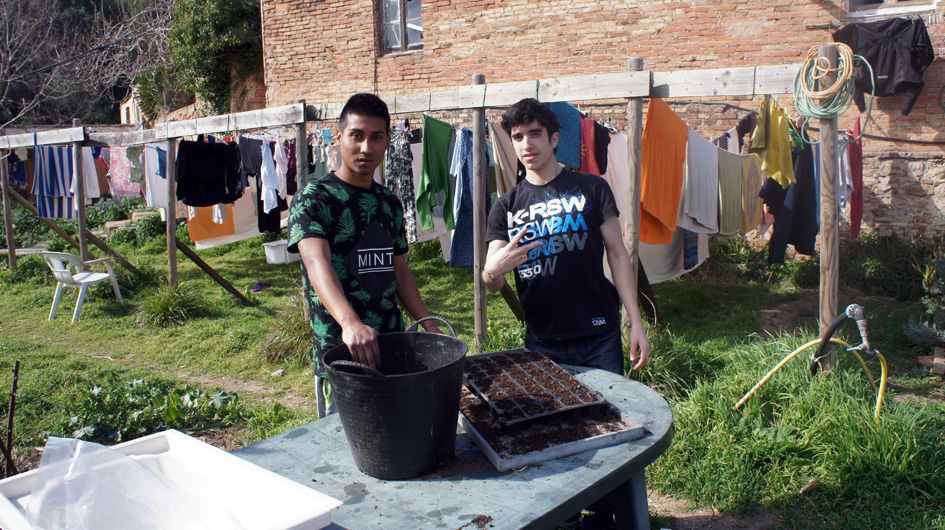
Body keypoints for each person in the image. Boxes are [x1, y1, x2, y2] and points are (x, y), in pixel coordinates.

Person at [482, 98, 651, 529]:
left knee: (614, 428)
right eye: (516, 137)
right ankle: (568, 516)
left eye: (534, 134)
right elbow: (492, 276)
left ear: (555, 138)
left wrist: (634, 317)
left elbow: (618, 252)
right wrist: (493, 272)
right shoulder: (505, 207)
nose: (525, 144)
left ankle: (619, 516)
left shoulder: (592, 189)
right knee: (556, 435)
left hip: (600, 334)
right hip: (543, 342)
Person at [287, 93, 439, 417]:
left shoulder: (389, 203)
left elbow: (398, 268)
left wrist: (428, 325)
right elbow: (316, 261)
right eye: (357, 136)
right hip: (344, 350)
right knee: (352, 449)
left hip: (394, 345)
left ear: (387, 142)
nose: (366, 148)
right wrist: (350, 323)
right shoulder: (313, 199)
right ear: (339, 137)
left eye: (376, 137)